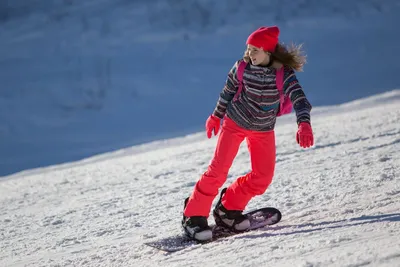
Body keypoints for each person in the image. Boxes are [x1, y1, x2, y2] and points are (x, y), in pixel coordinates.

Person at [181, 26, 314, 241]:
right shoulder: (241, 68)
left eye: (254, 50)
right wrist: (216, 116)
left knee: (262, 177)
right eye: (248, 49)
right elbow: (228, 91)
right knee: (218, 171)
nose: (249, 53)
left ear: (268, 52)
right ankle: (193, 215)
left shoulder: (283, 74)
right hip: (235, 122)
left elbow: (300, 99)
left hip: (263, 129)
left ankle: (228, 209)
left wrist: (304, 124)